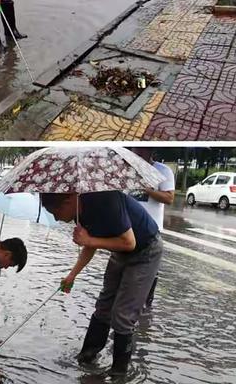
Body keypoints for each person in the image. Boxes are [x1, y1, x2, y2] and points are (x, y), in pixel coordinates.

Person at [41, 190, 162, 376]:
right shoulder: (79, 213)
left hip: (145, 251)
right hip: (120, 252)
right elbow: (92, 244)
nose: (56, 218)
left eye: (55, 212)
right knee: (103, 307)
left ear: (69, 200)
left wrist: (88, 239)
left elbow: (129, 242)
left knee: (123, 315)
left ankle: (119, 373)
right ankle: (87, 357)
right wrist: (72, 275)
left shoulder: (107, 200)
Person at [131, 148, 175, 308]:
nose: (137, 152)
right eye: (135, 150)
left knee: (150, 270)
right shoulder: (127, 167)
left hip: (151, 229)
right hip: (128, 228)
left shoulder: (163, 171)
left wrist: (146, 189)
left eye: (142, 150)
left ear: (151, 152)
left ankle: (146, 303)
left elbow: (169, 198)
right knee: (127, 267)